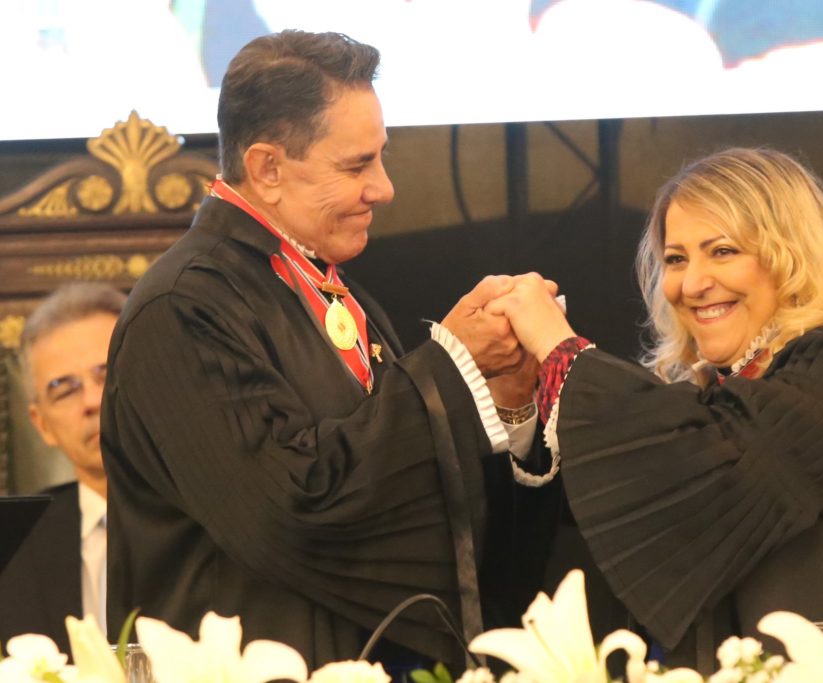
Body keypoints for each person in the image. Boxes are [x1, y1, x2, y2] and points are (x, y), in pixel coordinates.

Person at [102, 29, 547, 670]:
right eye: (356, 166)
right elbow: (288, 515)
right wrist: (452, 363)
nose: (384, 188)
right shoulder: (182, 308)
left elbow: (411, 502)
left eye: (380, 158)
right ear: (267, 169)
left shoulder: (335, 292)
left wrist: (505, 400)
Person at [487, 147, 823, 672]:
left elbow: (723, 458)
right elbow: (587, 519)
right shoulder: (695, 401)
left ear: (793, 256)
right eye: (676, 259)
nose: (693, 284)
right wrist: (516, 397)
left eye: (722, 251)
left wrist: (561, 352)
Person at [0, 283, 125, 654]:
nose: (91, 400)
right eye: (65, 389)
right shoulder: (13, 548)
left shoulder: (220, 521)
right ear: (42, 425)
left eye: (107, 374)